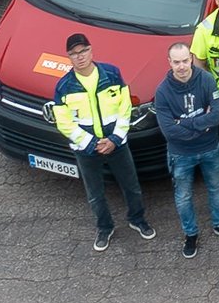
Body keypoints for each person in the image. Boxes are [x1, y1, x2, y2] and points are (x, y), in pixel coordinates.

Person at [51, 35, 150, 251]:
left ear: (91, 50)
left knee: (131, 186)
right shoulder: (64, 86)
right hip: (86, 150)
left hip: (117, 144)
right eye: (74, 54)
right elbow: (64, 122)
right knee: (95, 194)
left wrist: (114, 139)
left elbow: (125, 108)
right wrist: (91, 143)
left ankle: (137, 219)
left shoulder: (112, 74)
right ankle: (105, 228)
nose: (80, 57)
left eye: (83, 51)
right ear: (69, 57)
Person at [147, 42, 219, 257]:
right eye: (176, 62)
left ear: (191, 59)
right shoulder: (162, 91)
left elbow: (216, 117)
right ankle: (190, 234)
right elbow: (169, 131)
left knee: (216, 187)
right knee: (183, 196)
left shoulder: (207, 80)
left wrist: (184, 123)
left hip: (210, 148)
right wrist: (201, 124)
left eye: (185, 60)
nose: (181, 66)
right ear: (169, 62)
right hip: (180, 154)